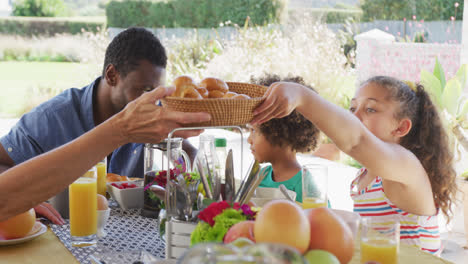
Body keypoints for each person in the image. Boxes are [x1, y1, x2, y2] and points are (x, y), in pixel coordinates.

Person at [0, 27, 196, 224]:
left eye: (157, 91)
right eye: (144, 90)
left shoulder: (152, 116)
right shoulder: (52, 118)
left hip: (128, 242)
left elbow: (186, 154)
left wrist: (183, 178)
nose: (152, 101)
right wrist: (23, 200)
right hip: (59, 238)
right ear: (112, 75)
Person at [252, 75, 457, 255]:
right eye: (352, 108)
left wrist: (302, 96)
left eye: (370, 109)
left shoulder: (408, 167)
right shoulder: (365, 176)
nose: (354, 117)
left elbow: (356, 140)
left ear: (401, 127)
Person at [0, 86, 210, 222]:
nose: (145, 101)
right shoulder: (51, 116)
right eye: (142, 90)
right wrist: (121, 129)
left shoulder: (150, 121)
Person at [248, 74, 320, 202]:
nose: (249, 139)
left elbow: (323, 218)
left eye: (254, 131)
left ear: (277, 132)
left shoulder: (305, 186)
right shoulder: (260, 176)